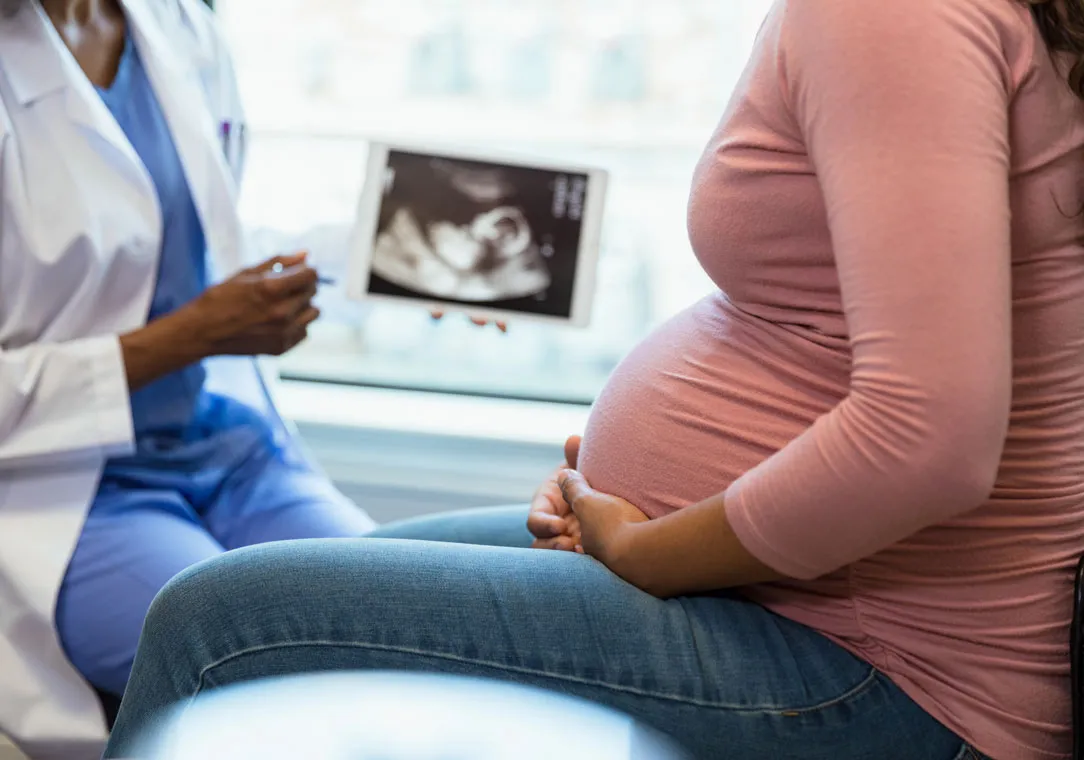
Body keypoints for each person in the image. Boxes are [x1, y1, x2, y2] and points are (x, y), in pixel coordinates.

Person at [103, 0, 1084, 758]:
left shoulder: (892, 16)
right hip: (802, 588)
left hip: (889, 661)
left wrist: (655, 547)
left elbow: (931, 441)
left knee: (217, 626)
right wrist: (637, 489)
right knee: (284, 588)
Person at [0, 1, 510, 757]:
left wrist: (393, 265)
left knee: (415, 641)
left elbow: (191, 247)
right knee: (278, 692)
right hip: (60, 491)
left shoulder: (177, 25)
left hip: (221, 445)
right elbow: (180, 306)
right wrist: (190, 336)